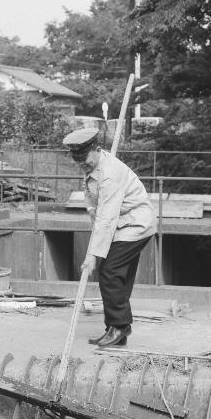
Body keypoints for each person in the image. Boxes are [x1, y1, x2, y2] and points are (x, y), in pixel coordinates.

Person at [63, 127, 157, 347]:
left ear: (96, 150)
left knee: (110, 271)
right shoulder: (95, 165)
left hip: (135, 224)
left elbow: (107, 216)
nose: (82, 165)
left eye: (85, 160)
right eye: (79, 162)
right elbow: (96, 211)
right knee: (119, 276)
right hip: (121, 224)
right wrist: (95, 246)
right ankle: (116, 330)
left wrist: (93, 255)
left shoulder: (110, 174)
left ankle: (120, 326)